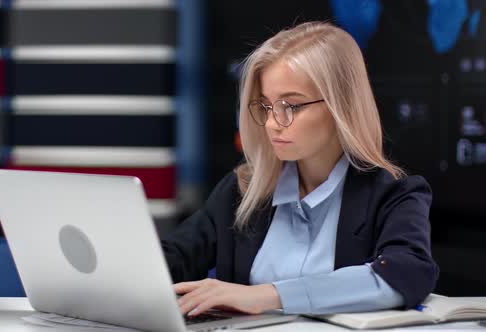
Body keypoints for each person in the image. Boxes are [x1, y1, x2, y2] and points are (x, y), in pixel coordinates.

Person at [161, 21, 439, 317]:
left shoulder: (396, 195)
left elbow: (407, 273)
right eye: (267, 106)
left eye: (291, 106)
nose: (271, 123)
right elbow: (171, 259)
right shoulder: (241, 190)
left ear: (341, 106)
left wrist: (267, 296)